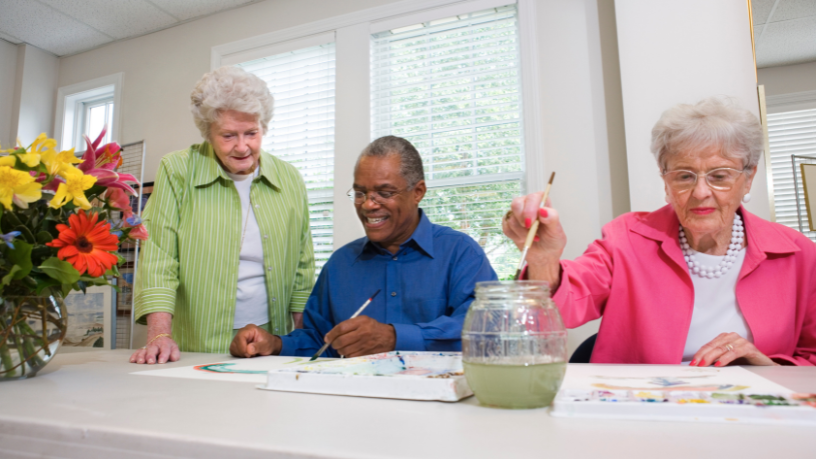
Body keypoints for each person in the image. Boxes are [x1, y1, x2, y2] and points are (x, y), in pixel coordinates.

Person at [504, 97, 816, 366]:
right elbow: (558, 313)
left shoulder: (799, 254)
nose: (701, 192)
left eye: (719, 176)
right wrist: (543, 259)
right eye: (684, 176)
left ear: (748, 179)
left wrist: (766, 365)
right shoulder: (626, 238)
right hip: (641, 410)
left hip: (749, 410)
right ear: (665, 182)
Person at [230, 136, 497, 358]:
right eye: (360, 193)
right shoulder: (340, 264)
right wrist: (274, 344)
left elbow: (485, 332)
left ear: (418, 192)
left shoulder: (461, 253)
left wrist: (393, 337)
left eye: (385, 192)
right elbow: (319, 340)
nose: (368, 204)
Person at [130, 66, 315, 364]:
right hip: (199, 338)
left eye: (252, 133)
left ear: (263, 127)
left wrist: (305, 340)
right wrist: (159, 334)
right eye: (228, 135)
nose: (242, 147)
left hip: (271, 339)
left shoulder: (289, 178)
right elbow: (159, 257)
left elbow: (303, 266)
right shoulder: (177, 170)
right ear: (207, 133)